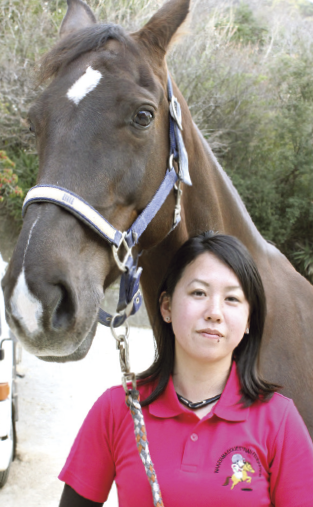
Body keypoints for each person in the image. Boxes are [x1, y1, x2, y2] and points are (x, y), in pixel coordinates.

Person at [58, 231, 313, 507]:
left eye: (232, 299)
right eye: (199, 293)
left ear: (249, 318)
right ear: (166, 306)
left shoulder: (279, 420)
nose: (214, 312)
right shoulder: (116, 409)